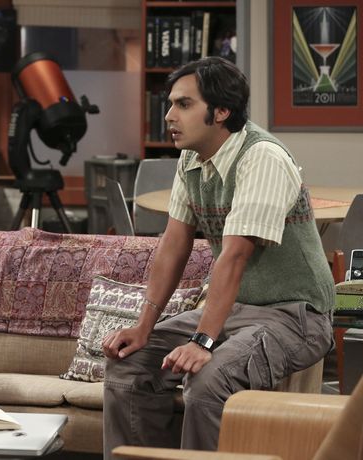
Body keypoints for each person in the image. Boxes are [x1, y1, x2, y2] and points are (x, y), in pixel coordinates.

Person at [102, 57, 334, 457]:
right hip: (237, 310)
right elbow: (174, 246)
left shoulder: (262, 158)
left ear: (222, 111)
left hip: (297, 316)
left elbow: (235, 256)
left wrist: (202, 341)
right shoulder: (191, 160)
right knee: (127, 366)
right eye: (171, 104)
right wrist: (143, 327)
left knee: (209, 379)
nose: (169, 116)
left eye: (184, 104)